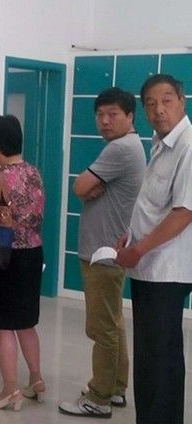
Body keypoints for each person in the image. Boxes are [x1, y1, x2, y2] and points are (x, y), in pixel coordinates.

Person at [59, 88, 146, 418]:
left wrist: (86, 188)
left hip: (103, 253)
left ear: (130, 116)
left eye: (113, 114)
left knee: (102, 329)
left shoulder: (120, 149)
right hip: (109, 249)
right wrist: (88, 188)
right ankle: (117, 388)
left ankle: (98, 398)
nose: (105, 121)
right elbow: (86, 188)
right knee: (113, 323)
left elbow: (80, 186)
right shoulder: (128, 146)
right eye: (100, 114)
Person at [116, 74, 192, 424]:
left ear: (182, 102)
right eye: (150, 104)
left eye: (166, 101)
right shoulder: (160, 144)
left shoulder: (188, 146)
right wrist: (130, 238)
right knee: (150, 355)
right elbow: (151, 205)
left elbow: (184, 212)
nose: (158, 110)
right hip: (148, 265)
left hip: (166, 269)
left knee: (160, 359)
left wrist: (140, 248)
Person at [0, 114, 45, 411]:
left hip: (4, 256)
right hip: (33, 254)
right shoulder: (33, 172)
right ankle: (36, 379)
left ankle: (10, 390)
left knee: (4, 327)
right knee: (26, 323)